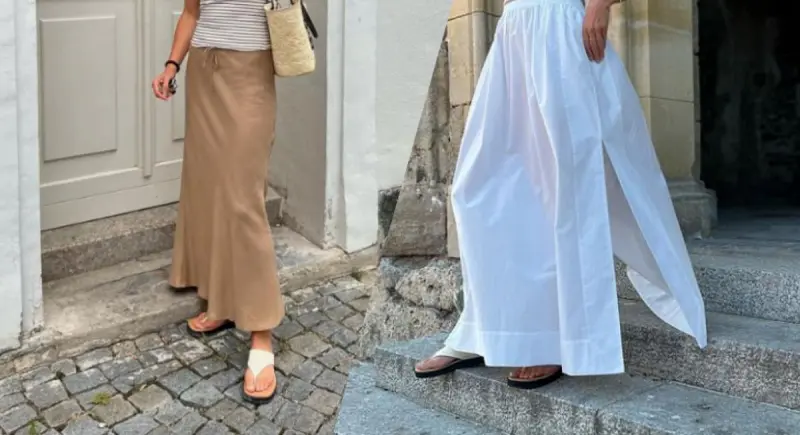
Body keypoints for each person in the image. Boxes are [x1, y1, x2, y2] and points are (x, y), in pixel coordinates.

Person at [414, 0, 708, 388]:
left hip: (560, 29)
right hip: (513, 32)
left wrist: (600, 3)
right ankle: (482, 329)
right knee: (479, 186)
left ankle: (551, 338)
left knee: (561, 188)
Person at [150, 0, 283, 404]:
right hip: (203, 71)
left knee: (243, 201)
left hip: (250, 71)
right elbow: (192, 13)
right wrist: (172, 65)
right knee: (207, 189)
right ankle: (221, 300)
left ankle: (261, 333)